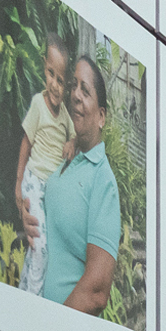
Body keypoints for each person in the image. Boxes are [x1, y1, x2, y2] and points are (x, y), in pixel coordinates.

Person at [35, 53, 121, 314]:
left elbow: (96, 292)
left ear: (101, 116)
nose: (75, 95)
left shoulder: (103, 180)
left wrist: (52, 327)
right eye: (74, 86)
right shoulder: (66, 158)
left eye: (86, 90)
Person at [12, 36, 74, 296]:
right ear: (44, 68)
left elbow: (74, 137)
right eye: (51, 75)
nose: (55, 86)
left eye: (61, 80)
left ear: (67, 85)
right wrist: (18, 185)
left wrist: (71, 143)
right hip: (34, 181)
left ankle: (24, 290)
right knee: (42, 250)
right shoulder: (38, 103)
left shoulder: (66, 117)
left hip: (49, 192)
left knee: (36, 248)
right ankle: (33, 302)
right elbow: (26, 144)